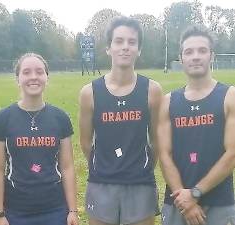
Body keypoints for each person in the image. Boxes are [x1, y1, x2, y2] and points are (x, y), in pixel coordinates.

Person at [79, 16, 162, 225]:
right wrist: (106, 167)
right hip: (102, 183)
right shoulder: (90, 93)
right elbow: (86, 143)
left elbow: (157, 141)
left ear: (139, 49)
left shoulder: (152, 90)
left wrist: (141, 168)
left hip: (140, 183)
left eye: (132, 42)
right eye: (119, 41)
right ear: (108, 48)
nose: (125, 47)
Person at [158, 25, 235, 225]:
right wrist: (185, 200)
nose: (195, 56)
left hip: (218, 202)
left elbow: (232, 153)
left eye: (202, 50)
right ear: (181, 58)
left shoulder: (229, 96)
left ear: (212, 56)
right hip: (178, 202)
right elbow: (164, 154)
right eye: (189, 52)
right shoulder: (168, 101)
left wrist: (195, 193)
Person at [0, 53, 79, 225]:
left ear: (47, 77)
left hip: (55, 210)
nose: (33, 76)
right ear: (18, 78)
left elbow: (67, 167)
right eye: (26, 72)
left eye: (39, 71)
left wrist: (72, 210)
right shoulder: (2, 119)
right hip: (15, 211)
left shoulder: (60, 118)